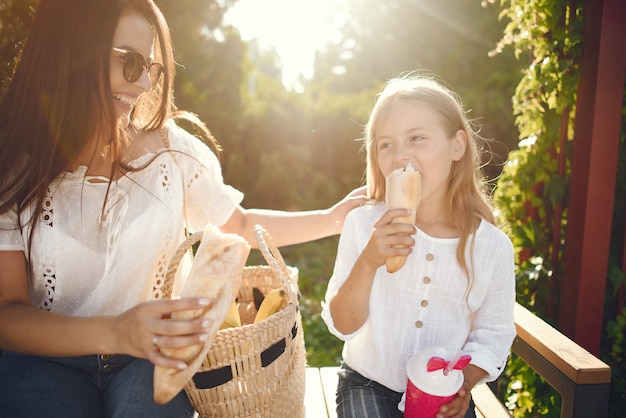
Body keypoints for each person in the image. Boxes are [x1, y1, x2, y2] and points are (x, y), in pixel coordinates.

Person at [0, 0, 366, 417]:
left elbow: (240, 225)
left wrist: (335, 217)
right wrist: (116, 332)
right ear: (71, 50)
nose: (141, 85)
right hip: (44, 362)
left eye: (151, 68)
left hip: (153, 358)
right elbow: (7, 313)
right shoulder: (13, 164)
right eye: (129, 62)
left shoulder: (173, 152)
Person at [321, 73, 516, 418]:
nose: (400, 156)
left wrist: (464, 385)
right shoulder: (363, 224)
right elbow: (343, 324)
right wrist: (368, 262)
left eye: (417, 138)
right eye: (387, 144)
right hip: (367, 382)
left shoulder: (490, 247)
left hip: (445, 389)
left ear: (457, 146)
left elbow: (494, 333)